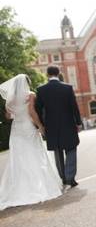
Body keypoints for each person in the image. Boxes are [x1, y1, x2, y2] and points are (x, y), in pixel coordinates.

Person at [0, 74, 62, 210]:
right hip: (28, 127)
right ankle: (38, 186)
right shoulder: (30, 95)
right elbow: (32, 112)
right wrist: (40, 126)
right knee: (35, 155)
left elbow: (8, 116)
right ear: (26, 84)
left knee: (19, 158)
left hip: (16, 129)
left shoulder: (10, 99)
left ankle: (20, 189)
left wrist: (16, 113)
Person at [36, 66, 82, 187]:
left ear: (47, 74)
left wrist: (41, 125)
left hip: (51, 126)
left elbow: (38, 110)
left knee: (58, 152)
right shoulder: (67, 88)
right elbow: (74, 107)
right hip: (68, 124)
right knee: (71, 149)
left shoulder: (41, 90)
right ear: (59, 73)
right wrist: (78, 122)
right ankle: (70, 177)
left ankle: (63, 178)